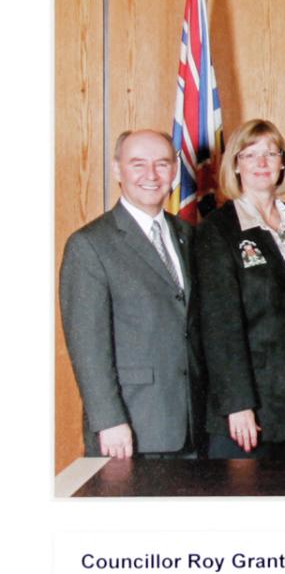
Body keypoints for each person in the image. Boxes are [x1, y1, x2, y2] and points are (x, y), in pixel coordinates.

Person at [59, 130, 202, 458]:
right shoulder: (90, 245)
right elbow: (87, 345)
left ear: (175, 170)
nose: (151, 175)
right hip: (132, 428)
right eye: (138, 164)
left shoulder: (187, 235)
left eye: (162, 164)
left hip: (193, 424)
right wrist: (108, 420)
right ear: (116, 169)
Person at [195, 119, 285, 459]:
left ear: (283, 162)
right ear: (235, 164)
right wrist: (238, 404)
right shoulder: (218, 230)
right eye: (250, 155)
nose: (261, 164)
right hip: (249, 412)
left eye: (270, 153)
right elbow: (219, 326)